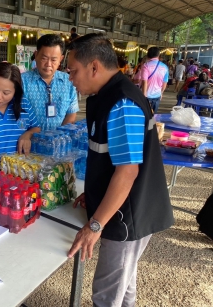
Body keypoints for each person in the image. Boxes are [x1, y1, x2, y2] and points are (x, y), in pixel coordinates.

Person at [66, 33, 174, 307]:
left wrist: (95, 224)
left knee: (106, 294)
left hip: (128, 213)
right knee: (124, 284)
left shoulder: (122, 103)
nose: (70, 78)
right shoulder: (107, 95)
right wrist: (94, 194)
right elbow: (110, 159)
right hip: (120, 206)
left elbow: (127, 172)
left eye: (73, 71)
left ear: (94, 67)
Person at [21, 34, 79, 130]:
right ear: (36, 55)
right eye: (44, 58)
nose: (48, 64)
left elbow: (71, 113)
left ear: (60, 59)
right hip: (30, 141)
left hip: (58, 141)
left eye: (53, 60)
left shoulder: (68, 82)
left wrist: (58, 137)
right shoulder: (22, 81)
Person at [140, 47, 168, 113]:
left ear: (147, 55)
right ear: (158, 55)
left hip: (146, 96)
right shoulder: (165, 67)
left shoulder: (145, 66)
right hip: (157, 95)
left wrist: (144, 96)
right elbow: (165, 82)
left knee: (145, 115)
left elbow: (144, 82)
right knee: (153, 115)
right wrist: (161, 93)